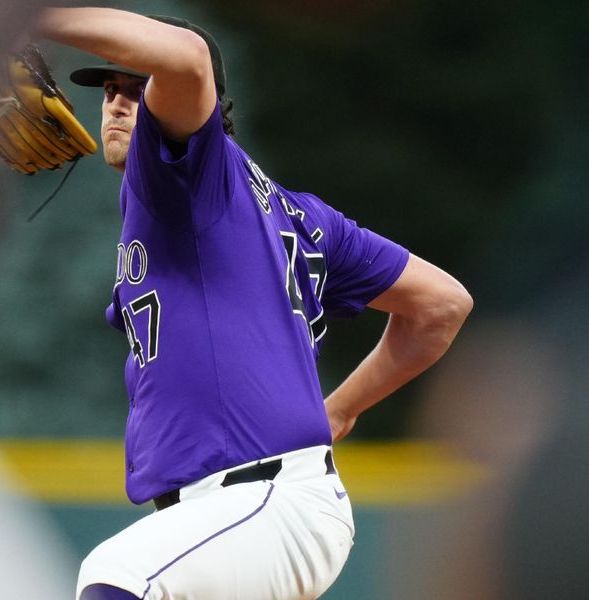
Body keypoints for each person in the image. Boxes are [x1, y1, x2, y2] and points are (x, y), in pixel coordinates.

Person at [32, 7, 473, 600]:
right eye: (110, 89)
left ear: (196, 104)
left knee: (118, 580)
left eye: (137, 89)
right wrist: (340, 410)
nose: (115, 102)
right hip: (238, 520)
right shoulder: (301, 217)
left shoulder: (188, 176)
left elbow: (185, 56)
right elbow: (439, 306)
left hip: (262, 504)